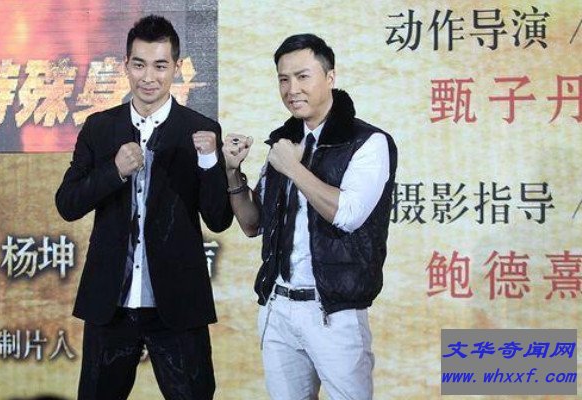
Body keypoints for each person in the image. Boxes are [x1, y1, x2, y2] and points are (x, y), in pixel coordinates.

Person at [55, 15, 232, 400]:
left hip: (178, 305)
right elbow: (67, 204)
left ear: (177, 68)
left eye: (160, 66)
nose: (148, 77)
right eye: (139, 65)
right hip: (111, 305)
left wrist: (208, 162)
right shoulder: (99, 127)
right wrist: (114, 171)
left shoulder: (200, 130)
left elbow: (219, 219)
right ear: (125, 66)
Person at [222, 34, 397, 399]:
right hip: (278, 306)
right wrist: (232, 172)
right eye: (283, 79)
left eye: (303, 76)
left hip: (333, 312)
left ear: (330, 77)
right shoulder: (283, 142)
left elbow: (347, 214)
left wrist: (293, 168)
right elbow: (253, 224)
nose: (292, 89)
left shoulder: (368, 142)